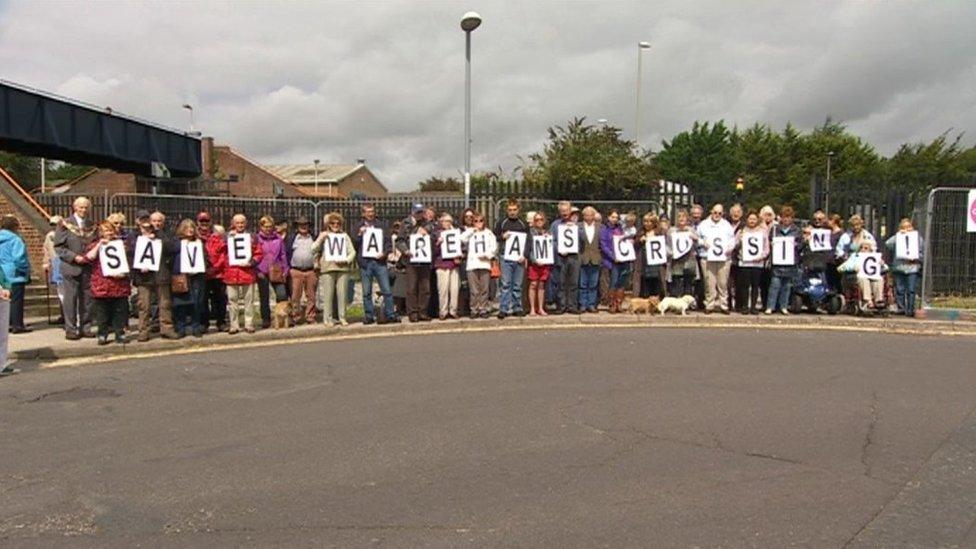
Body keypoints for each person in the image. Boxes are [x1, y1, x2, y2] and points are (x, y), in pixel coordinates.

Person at [126, 210, 178, 341]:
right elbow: (130, 253)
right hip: (143, 276)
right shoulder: (133, 236)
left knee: (165, 303)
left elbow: (172, 248)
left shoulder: (161, 233)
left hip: (161, 273)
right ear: (138, 221)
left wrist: (158, 236)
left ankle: (167, 329)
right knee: (144, 305)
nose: (146, 223)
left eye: (147, 220)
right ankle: (143, 331)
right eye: (142, 220)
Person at [54, 196, 97, 340]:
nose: (83, 210)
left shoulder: (92, 225)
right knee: (70, 299)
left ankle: (86, 327)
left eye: (86, 207)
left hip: (88, 268)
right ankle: (70, 329)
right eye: (81, 207)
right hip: (70, 267)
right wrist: (74, 257)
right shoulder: (64, 224)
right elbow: (59, 247)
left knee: (87, 299)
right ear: (74, 207)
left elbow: (95, 244)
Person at [84, 220, 130, 345]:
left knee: (119, 311)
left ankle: (119, 333)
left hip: (119, 283)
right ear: (100, 233)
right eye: (105, 231)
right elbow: (88, 257)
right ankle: (102, 334)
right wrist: (99, 245)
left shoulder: (121, 244)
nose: (108, 233)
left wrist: (124, 273)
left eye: (110, 230)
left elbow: (128, 261)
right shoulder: (95, 245)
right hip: (102, 283)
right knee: (102, 312)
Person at [354, 204, 399, 325]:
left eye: (372, 211)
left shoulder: (382, 225)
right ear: (363, 213)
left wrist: (384, 253)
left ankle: (390, 314)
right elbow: (354, 244)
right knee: (366, 292)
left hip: (379, 262)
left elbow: (388, 242)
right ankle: (369, 316)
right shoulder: (358, 226)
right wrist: (359, 234)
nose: (370, 214)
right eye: (368, 212)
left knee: (386, 290)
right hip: (365, 263)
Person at [313, 212, 356, 326]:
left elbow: (352, 252)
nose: (335, 225)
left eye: (338, 223)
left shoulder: (345, 236)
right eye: (333, 223)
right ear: (328, 224)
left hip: (343, 268)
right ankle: (327, 319)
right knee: (328, 295)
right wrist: (321, 239)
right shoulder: (323, 235)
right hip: (327, 268)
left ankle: (342, 317)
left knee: (342, 294)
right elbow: (313, 249)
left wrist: (346, 260)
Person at [223, 214, 263, 334]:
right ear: (233, 223)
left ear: (245, 224)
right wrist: (226, 239)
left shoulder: (252, 237)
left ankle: (249, 324)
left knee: (248, 301)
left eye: (242, 223)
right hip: (231, 273)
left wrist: (252, 262)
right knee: (232, 300)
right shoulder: (226, 237)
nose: (240, 225)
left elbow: (258, 253)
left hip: (247, 273)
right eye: (237, 223)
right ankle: (234, 325)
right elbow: (220, 251)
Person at [397, 203, 435, 322]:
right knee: (412, 288)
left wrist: (427, 232)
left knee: (425, 288)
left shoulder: (427, 223)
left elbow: (433, 234)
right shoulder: (406, 223)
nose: (420, 215)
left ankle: (422, 312)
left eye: (421, 212)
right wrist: (406, 250)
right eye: (417, 212)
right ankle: (413, 313)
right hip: (411, 260)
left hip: (424, 260)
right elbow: (400, 240)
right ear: (413, 212)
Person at [171, 219, 207, 338]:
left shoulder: (199, 243)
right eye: (187, 228)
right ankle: (181, 328)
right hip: (182, 277)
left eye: (192, 228)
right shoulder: (177, 243)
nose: (190, 230)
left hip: (197, 276)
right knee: (181, 303)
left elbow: (205, 258)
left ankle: (195, 327)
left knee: (197, 302)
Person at [697, 203, 735, 314]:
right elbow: (697, 238)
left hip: (724, 258)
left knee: (723, 283)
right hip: (707, 257)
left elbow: (732, 240)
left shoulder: (727, 225)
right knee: (709, 283)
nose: (717, 215)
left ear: (722, 214)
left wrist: (730, 248)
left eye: (719, 213)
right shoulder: (703, 224)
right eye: (715, 212)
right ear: (711, 212)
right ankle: (709, 305)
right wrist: (703, 243)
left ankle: (724, 305)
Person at [495, 199, 529, 319]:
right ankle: (503, 308)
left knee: (517, 284)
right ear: (507, 210)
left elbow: (527, 242)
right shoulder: (502, 223)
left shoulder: (523, 224)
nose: (512, 212)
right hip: (505, 257)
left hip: (519, 258)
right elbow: (495, 237)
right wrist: (502, 236)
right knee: (505, 284)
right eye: (510, 210)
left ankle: (517, 307)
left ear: (518, 210)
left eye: (514, 210)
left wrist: (524, 255)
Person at [255, 215, 289, 329]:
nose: (268, 229)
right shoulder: (256, 239)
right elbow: (254, 254)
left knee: (282, 294)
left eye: (270, 226)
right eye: (265, 226)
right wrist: (256, 269)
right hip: (262, 270)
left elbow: (283, 255)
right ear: (261, 226)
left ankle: (281, 318)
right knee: (264, 296)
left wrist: (285, 269)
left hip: (277, 269)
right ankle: (266, 319)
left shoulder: (278, 238)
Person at [885, 218, 924, 317]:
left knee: (911, 289)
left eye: (909, 227)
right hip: (899, 267)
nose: (907, 229)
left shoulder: (917, 238)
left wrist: (916, 259)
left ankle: (910, 309)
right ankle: (901, 308)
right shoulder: (898, 237)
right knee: (900, 289)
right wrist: (898, 235)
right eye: (904, 227)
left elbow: (922, 251)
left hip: (912, 267)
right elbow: (888, 244)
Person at [766, 206, 801, 315]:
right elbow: (769, 241)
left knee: (786, 286)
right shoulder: (775, 229)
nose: (786, 219)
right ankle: (770, 306)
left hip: (790, 261)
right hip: (778, 261)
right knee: (774, 284)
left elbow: (801, 244)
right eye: (784, 217)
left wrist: (796, 245)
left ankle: (784, 306)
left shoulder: (796, 230)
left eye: (789, 217)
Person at [0, 215, 31, 333]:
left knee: (4, 300)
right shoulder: (15, 239)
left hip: (2, 273)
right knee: (16, 300)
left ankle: (6, 323)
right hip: (15, 274)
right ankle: (17, 325)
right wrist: (25, 269)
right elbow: (19, 258)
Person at [552, 201, 584, 314]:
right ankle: (561, 306)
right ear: (559, 212)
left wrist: (576, 228)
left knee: (574, 282)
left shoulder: (578, 224)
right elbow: (553, 241)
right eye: (562, 211)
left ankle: (572, 306)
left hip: (574, 257)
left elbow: (583, 239)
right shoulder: (555, 224)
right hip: (561, 256)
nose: (564, 213)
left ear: (570, 211)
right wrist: (559, 249)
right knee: (561, 282)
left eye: (566, 211)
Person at [734, 211, 769, 314]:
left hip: (757, 263)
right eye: (750, 219)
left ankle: (753, 307)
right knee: (744, 286)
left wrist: (761, 256)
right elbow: (734, 246)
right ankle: (744, 306)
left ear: (757, 220)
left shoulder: (762, 232)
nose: (752, 221)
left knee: (755, 286)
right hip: (744, 262)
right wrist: (739, 240)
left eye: (754, 219)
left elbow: (766, 248)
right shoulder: (741, 231)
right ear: (746, 220)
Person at [198, 211, 228, 332]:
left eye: (206, 221)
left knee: (220, 299)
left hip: (217, 273)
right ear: (198, 223)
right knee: (203, 300)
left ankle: (221, 322)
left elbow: (223, 254)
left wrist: (215, 267)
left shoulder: (216, 237)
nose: (204, 224)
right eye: (202, 221)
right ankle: (204, 324)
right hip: (201, 273)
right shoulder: (194, 238)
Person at [463, 212, 497, 318]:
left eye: (481, 220)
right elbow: (462, 239)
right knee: (474, 289)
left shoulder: (489, 233)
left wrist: (487, 256)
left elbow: (494, 247)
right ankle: (474, 308)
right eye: (476, 221)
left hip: (484, 264)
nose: (478, 223)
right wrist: (472, 230)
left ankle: (483, 308)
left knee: (484, 288)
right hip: (472, 264)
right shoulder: (470, 232)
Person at [600, 208, 633, 313]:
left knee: (621, 282)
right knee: (613, 282)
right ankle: (612, 304)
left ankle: (619, 303)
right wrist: (613, 256)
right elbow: (603, 245)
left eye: (616, 217)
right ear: (608, 217)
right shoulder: (604, 230)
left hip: (623, 260)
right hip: (612, 261)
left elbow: (624, 242)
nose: (614, 219)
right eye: (612, 217)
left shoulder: (621, 229)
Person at [286, 216, 318, 324]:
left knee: (311, 295)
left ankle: (310, 316)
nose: (303, 227)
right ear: (297, 226)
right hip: (296, 270)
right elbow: (286, 252)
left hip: (311, 270)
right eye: (301, 225)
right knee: (295, 295)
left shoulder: (314, 237)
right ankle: (295, 317)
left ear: (309, 226)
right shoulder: (292, 238)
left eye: (305, 224)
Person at [838, 241, 887, 310]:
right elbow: (841, 268)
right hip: (857, 277)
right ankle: (868, 301)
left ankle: (878, 300)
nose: (863, 249)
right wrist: (853, 267)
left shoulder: (874, 257)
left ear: (870, 250)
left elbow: (886, 268)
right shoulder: (855, 256)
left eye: (866, 248)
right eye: (861, 248)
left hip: (872, 277)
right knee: (863, 279)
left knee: (879, 279)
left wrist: (882, 265)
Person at [433, 212, 462, 320]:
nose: (448, 223)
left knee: (454, 289)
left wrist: (460, 256)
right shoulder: (437, 234)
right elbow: (433, 252)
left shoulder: (456, 233)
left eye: (450, 221)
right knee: (443, 290)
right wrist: (438, 243)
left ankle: (453, 310)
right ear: (441, 222)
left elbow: (461, 248)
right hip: (442, 264)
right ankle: (443, 311)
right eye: (446, 221)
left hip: (454, 264)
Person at [633, 212, 665, 299]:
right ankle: (644, 301)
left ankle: (656, 301)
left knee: (656, 281)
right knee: (644, 280)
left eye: (650, 221)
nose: (647, 223)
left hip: (656, 262)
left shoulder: (660, 232)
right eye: (645, 221)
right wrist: (640, 240)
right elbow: (634, 245)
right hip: (643, 260)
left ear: (654, 222)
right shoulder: (640, 232)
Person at [668, 209, 699, 298]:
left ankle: (687, 303)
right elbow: (667, 246)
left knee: (688, 283)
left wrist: (695, 238)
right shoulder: (671, 231)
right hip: (676, 261)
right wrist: (671, 253)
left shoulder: (691, 230)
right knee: (676, 282)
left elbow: (698, 245)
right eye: (679, 216)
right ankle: (676, 303)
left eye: (683, 216)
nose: (681, 219)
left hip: (689, 260)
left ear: (687, 218)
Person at [526, 211, 552, 316]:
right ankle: (532, 308)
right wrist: (534, 260)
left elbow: (550, 248)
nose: (539, 222)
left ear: (544, 220)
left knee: (541, 285)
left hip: (545, 262)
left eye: (541, 219)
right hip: (534, 263)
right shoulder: (530, 233)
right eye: (537, 220)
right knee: (533, 284)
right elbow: (528, 249)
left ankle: (541, 308)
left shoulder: (548, 233)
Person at [578, 206, 602, 313]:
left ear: (594, 216)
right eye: (586, 215)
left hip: (596, 258)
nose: (588, 217)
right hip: (583, 258)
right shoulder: (577, 226)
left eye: (590, 214)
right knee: (582, 284)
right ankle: (583, 304)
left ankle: (591, 304)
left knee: (593, 284)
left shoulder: (600, 227)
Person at [43, 215, 65, 324]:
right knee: (60, 290)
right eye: (52, 225)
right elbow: (46, 249)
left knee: (65, 291)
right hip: (56, 262)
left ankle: (67, 314)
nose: (54, 227)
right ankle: (64, 314)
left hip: (64, 262)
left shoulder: (65, 234)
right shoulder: (50, 235)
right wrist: (46, 262)